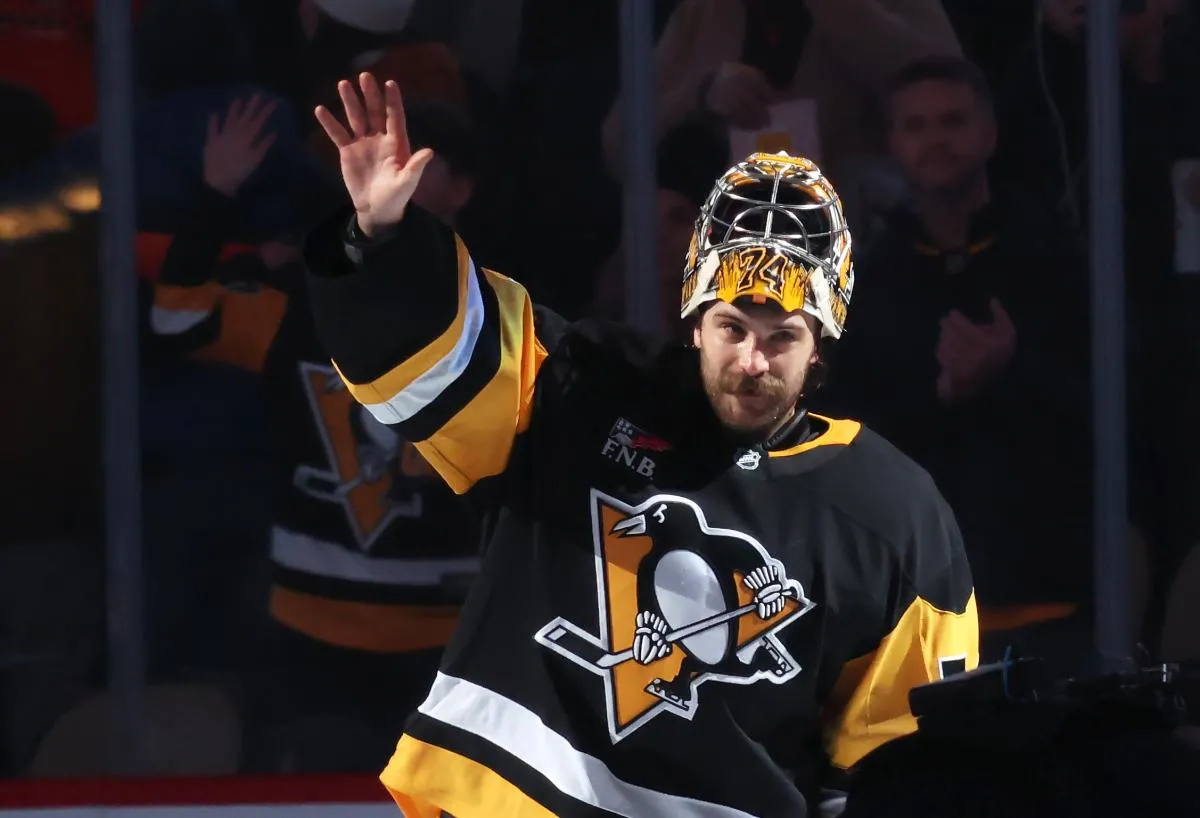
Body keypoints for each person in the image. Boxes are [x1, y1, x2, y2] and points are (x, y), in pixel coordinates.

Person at [304, 72, 979, 818]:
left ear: (820, 347)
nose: (752, 362)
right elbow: (427, 362)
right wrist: (382, 238)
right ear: (693, 320)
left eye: (782, 337)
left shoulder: (893, 514)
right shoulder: (578, 394)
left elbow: (906, 758)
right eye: (732, 329)